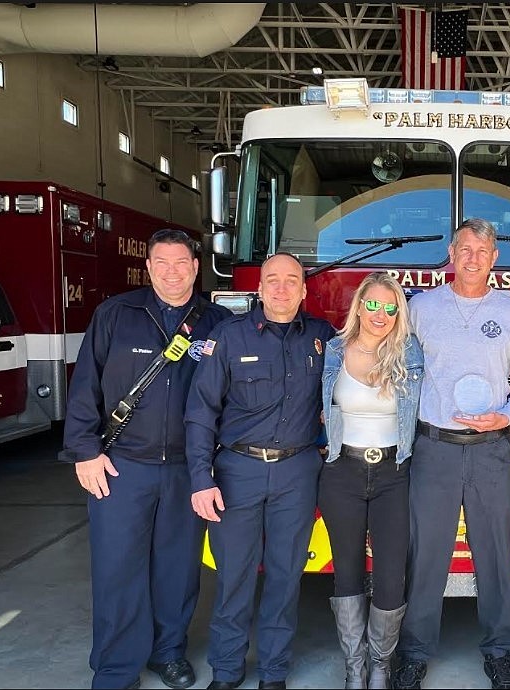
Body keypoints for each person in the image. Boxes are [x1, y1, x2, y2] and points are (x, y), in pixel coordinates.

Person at [60, 228, 231, 690]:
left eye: (182, 263)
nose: (173, 271)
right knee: (118, 568)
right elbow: (85, 387)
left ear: (196, 267)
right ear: (149, 267)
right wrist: (84, 451)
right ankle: (115, 667)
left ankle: (168, 653)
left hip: (187, 469)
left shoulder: (217, 322)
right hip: (121, 466)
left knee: (178, 570)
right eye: (163, 263)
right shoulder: (115, 314)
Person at [391, 218, 510, 690]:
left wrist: (509, 416)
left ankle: (499, 652)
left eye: (482, 250)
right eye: (464, 249)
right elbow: (396, 366)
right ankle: (413, 653)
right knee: (427, 554)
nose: (473, 258)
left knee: (496, 555)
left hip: (492, 451)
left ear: (495, 259)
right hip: (433, 449)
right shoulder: (420, 307)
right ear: (451, 255)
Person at [184, 253, 335, 690]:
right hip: (237, 472)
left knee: (285, 578)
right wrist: (201, 478)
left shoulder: (324, 338)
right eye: (273, 280)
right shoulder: (229, 338)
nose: (282, 289)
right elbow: (200, 413)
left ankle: (273, 672)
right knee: (234, 578)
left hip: (298, 472)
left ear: (305, 290)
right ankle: (227, 671)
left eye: (292, 281)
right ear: (260, 288)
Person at [319, 272, 424, 689]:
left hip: (393, 475)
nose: (380, 315)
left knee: (390, 572)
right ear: (359, 306)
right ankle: (355, 667)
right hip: (341, 471)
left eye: (390, 307)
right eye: (373, 305)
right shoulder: (332, 350)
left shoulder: (410, 353)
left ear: (400, 312)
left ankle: (381, 665)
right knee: (345, 569)